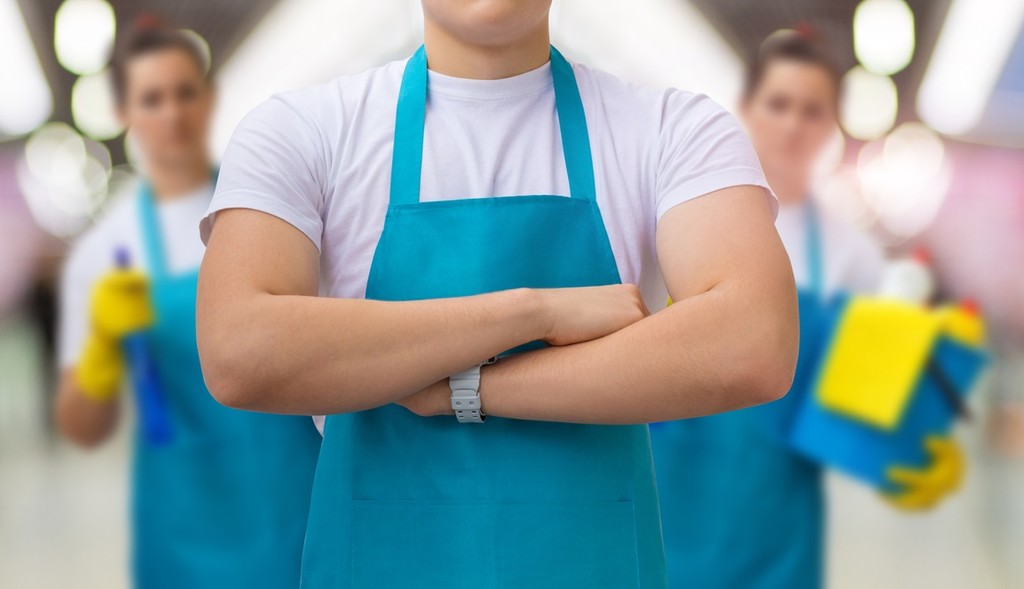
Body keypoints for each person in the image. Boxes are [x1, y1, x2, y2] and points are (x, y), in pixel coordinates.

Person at [196, 1, 799, 586]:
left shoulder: (675, 129)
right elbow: (240, 350)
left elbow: (753, 342)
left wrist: (465, 389)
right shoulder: (300, 131)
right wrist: (535, 310)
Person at [649, 30, 966, 589]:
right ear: (745, 109)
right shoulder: (677, 218)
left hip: (777, 530)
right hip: (661, 503)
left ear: (831, 126)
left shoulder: (852, 254)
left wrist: (914, 429)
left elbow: (863, 411)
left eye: (812, 110)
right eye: (778, 104)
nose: (793, 124)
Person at [53, 20, 321, 588]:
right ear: (124, 110)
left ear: (208, 97)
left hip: (299, 494)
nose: (172, 114)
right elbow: (81, 426)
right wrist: (102, 346)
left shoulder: (274, 203)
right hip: (186, 525)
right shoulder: (106, 249)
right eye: (152, 98)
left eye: (185, 92)